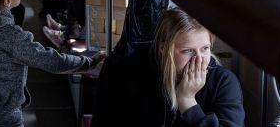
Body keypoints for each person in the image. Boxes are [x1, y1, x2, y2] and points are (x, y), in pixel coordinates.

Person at [92, 8, 245, 126]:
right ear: (164, 49)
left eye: (205, 48)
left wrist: (188, 101)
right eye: (188, 51)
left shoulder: (223, 82)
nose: (200, 59)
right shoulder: (136, 74)